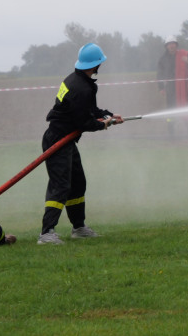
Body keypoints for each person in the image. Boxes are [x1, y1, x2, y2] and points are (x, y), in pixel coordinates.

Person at [38, 42, 124, 245]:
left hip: (66, 140)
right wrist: (103, 125)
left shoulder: (78, 80)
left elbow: (89, 111)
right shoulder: (80, 88)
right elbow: (83, 122)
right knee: (60, 185)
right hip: (58, 140)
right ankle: (46, 233)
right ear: (96, 64)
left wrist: (108, 115)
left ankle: (78, 228)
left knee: (77, 182)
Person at [156, 35, 188, 109]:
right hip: (170, 87)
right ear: (166, 46)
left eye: (173, 43)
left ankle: (185, 116)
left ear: (176, 45)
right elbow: (160, 74)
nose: (171, 46)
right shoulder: (163, 59)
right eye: (169, 44)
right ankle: (172, 117)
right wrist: (161, 87)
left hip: (182, 85)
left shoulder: (182, 55)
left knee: (184, 104)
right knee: (171, 106)